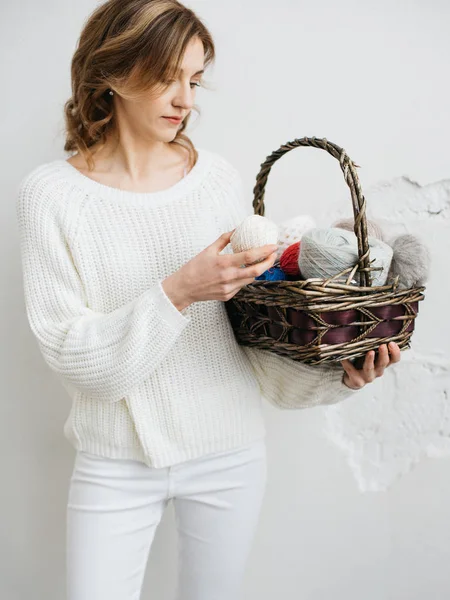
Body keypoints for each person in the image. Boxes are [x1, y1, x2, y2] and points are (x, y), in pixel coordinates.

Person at [15, 1, 401, 599]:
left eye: (194, 80)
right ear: (112, 73)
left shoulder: (216, 181)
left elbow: (255, 340)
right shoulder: (51, 197)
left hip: (229, 454)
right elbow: (75, 358)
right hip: (114, 464)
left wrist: (336, 375)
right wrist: (178, 290)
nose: (185, 99)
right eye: (167, 77)